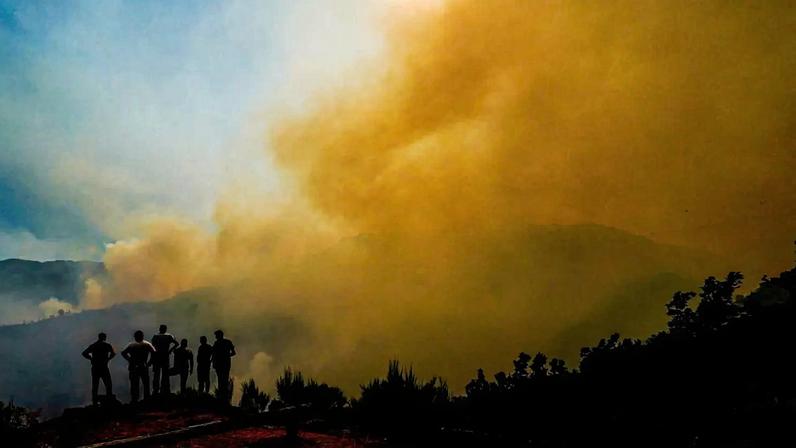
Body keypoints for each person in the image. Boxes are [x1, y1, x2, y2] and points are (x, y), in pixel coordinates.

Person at [120, 330, 156, 403]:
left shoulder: (131, 345)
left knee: (134, 384)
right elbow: (154, 353)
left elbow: (123, 353)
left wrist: (129, 359)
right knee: (145, 383)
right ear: (142, 336)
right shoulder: (147, 344)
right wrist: (150, 362)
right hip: (143, 365)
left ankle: (134, 400)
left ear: (135, 337)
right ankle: (146, 399)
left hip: (133, 366)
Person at [81, 333, 116, 405]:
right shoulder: (107, 345)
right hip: (104, 367)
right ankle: (109, 400)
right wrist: (108, 359)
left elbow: (84, 353)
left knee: (95, 385)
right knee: (108, 384)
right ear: (104, 337)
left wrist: (90, 358)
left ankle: (95, 402)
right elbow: (113, 353)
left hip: (95, 367)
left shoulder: (93, 345)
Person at [151, 324, 178, 395]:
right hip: (165, 356)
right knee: (165, 373)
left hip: (157, 356)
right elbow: (176, 344)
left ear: (160, 329)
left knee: (157, 373)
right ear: (165, 329)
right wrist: (170, 350)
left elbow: (152, 348)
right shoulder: (169, 336)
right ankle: (164, 389)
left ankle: (156, 389)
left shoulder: (156, 336)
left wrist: (152, 358)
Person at [212, 329, 236, 401]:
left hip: (222, 364)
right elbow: (233, 353)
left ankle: (222, 397)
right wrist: (227, 356)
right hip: (224, 364)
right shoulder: (227, 342)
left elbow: (214, 354)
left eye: (216, 335)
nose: (216, 337)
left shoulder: (218, 343)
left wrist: (226, 356)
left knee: (222, 380)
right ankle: (223, 397)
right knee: (223, 380)